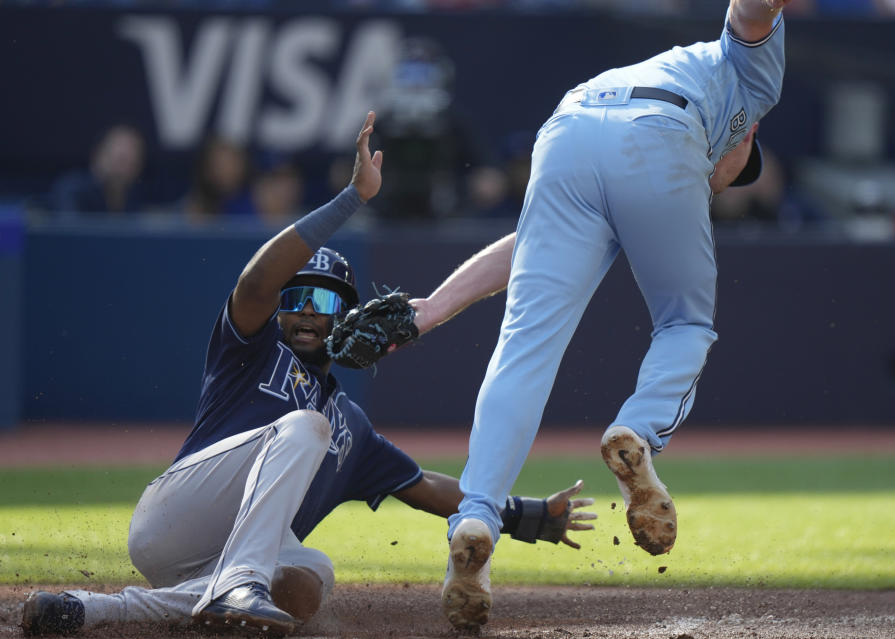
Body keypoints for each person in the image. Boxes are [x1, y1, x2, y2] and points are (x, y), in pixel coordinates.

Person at [19, 112, 596, 637]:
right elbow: (256, 282)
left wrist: (523, 517)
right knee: (304, 428)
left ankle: (99, 609)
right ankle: (236, 582)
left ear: (346, 314)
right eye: (298, 295)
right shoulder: (249, 344)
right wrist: (350, 198)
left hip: (227, 553)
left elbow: (424, 488)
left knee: (310, 578)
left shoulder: (353, 427)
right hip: (175, 517)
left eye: (325, 300)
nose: (307, 310)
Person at [409, 0, 800, 630]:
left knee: (525, 342)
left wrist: (437, 306)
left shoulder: (654, 78)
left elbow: (527, 248)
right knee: (686, 324)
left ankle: (473, 520)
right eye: (734, 170)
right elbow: (741, 9)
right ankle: (638, 428)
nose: (724, 179)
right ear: (748, 140)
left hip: (568, 127)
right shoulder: (750, 86)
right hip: (661, 128)